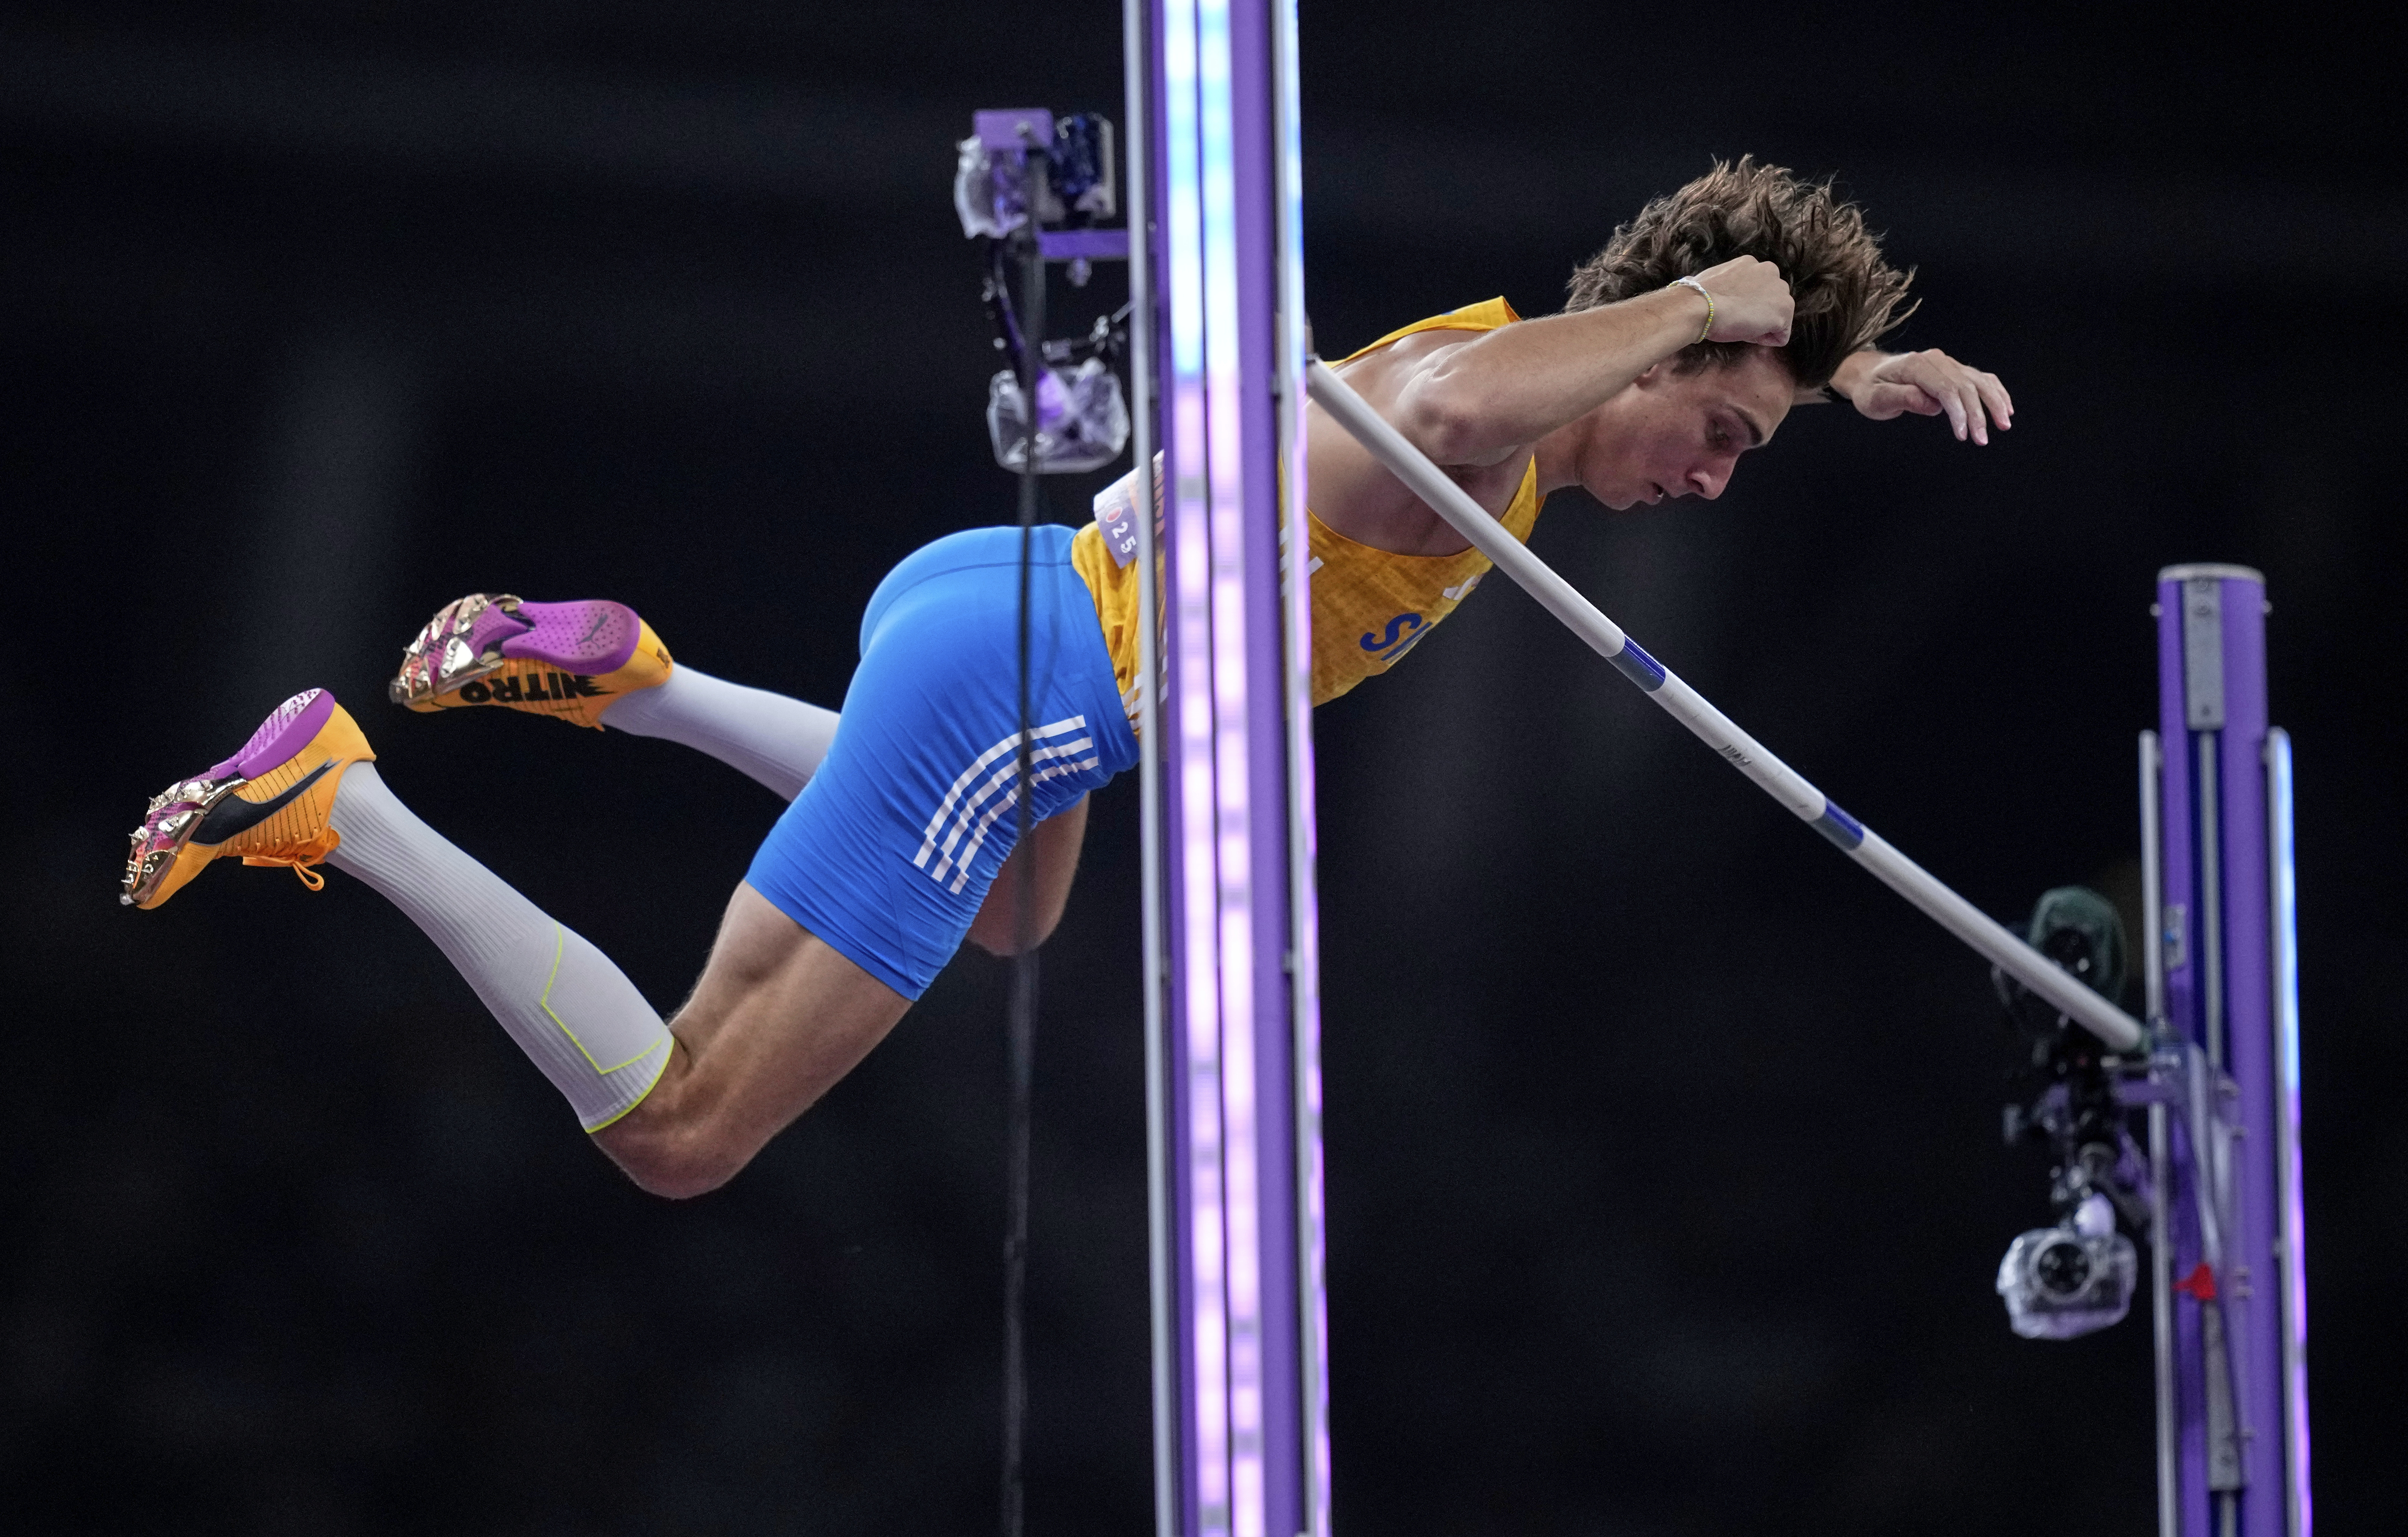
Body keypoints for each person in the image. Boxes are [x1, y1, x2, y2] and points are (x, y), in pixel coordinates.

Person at [119, 158, 2011, 1197]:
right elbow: (1446, 407)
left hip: (1002, 598)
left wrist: (1820, 370)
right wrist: (1700, 316)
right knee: (685, 1132)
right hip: (1017, 683)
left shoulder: (1516, 406)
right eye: (1719, 433)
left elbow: (1532, 388)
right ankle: (344, 807)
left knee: (1025, 912)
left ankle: (644, 685)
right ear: (1648, 342)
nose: (1705, 473)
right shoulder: (1467, 424)